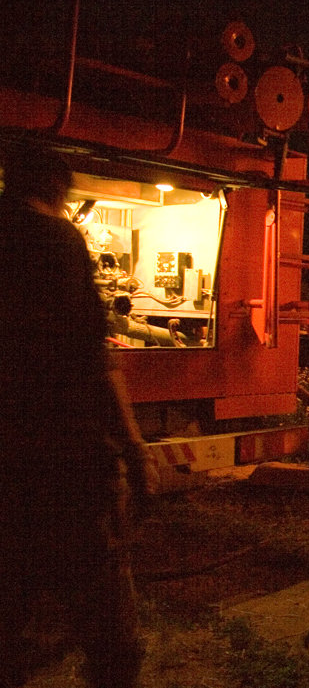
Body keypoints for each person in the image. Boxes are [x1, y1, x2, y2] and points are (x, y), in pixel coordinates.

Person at [0, 142, 159, 688]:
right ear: (53, 187)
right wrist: (136, 448)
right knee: (109, 626)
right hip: (69, 451)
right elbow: (96, 354)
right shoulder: (54, 240)